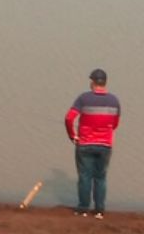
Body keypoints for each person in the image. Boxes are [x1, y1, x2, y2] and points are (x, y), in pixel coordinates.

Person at [65, 68, 122, 218]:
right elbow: (115, 124)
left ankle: (83, 209)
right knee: (100, 177)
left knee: (85, 177)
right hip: (105, 145)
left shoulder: (83, 98)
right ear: (105, 82)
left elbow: (69, 118)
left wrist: (73, 136)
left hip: (85, 143)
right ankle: (99, 211)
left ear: (92, 82)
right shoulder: (114, 101)